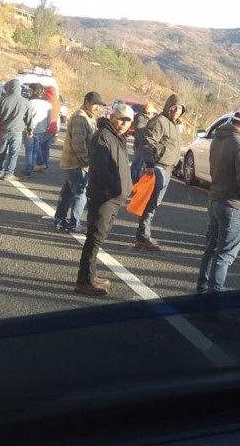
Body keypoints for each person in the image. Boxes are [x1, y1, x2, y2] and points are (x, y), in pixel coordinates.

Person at [197, 105, 240, 293]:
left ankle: (201, 294)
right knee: (224, 256)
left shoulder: (218, 139)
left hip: (215, 199)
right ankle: (214, 304)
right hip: (233, 206)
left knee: (211, 250)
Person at [74, 103, 134, 297]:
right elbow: (99, 169)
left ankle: (90, 276)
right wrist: (114, 189)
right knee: (94, 238)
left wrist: (125, 188)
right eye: (122, 119)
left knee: (99, 238)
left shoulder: (117, 136)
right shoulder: (102, 137)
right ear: (113, 117)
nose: (124, 123)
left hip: (114, 197)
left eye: (128, 121)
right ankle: (84, 282)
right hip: (104, 197)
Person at [135, 93, 186, 251]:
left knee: (154, 204)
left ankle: (144, 235)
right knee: (150, 203)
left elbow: (172, 147)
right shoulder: (160, 121)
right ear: (168, 107)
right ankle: (143, 238)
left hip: (168, 169)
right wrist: (149, 163)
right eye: (175, 108)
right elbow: (147, 142)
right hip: (157, 167)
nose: (177, 111)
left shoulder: (174, 125)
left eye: (180, 109)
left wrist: (177, 164)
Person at [53, 91, 105, 232]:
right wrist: (87, 163)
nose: (97, 108)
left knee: (67, 193)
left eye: (99, 106)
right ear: (87, 102)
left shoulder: (88, 117)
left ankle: (59, 220)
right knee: (80, 194)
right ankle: (73, 223)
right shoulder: (80, 118)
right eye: (95, 104)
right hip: (76, 163)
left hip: (73, 163)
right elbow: (79, 144)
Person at [0, 78, 31, 181]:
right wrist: (30, 129)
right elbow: (29, 117)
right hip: (17, 131)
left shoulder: (3, 100)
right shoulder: (25, 102)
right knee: (14, 153)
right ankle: (9, 173)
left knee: (0, 151)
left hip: (3, 130)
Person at [20, 83, 51, 177]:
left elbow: (26, 116)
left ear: (35, 91)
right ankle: (32, 166)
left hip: (30, 129)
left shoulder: (30, 102)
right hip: (42, 129)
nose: (29, 92)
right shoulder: (48, 103)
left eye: (31, 90)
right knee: (35, 149)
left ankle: (28, 169)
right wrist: (46, 127)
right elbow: (49, 118)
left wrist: (25, 127)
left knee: (29, 149)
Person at [130, 102, 158, 183]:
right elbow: (140, 133)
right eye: (152, 113)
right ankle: (134, 181)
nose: (153, 114)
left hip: (142, 145)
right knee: (136, 165)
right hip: (140, 145)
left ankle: (136, 181)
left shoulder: (143, 119)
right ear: (148, 112)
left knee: (139, 165)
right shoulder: (140, 119)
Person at [35, 85, 60, 172]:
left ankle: (41, 163)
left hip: (47, 128)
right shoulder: (57, 102)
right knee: (46, 147)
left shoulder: (48, 103)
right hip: (54, 128)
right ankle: (45, 165)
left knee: (37, 145)